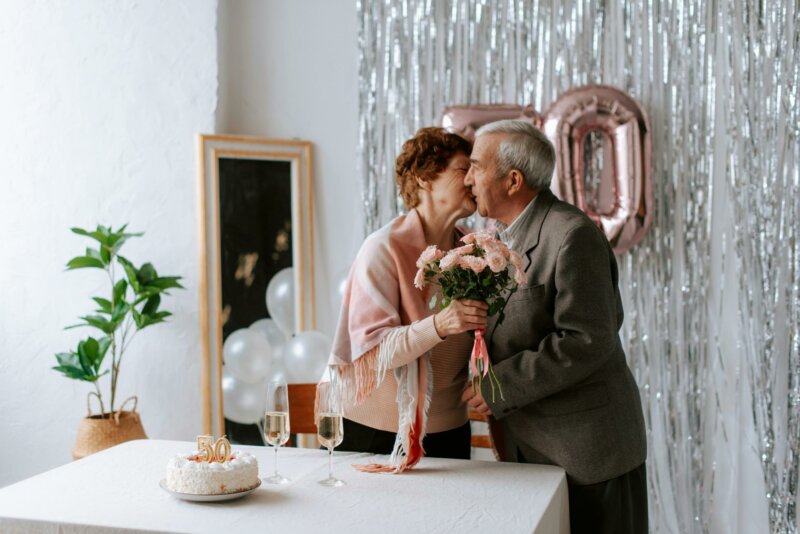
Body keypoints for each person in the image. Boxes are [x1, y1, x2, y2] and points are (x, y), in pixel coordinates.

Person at [462, 119, 648, 533]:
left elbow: (586, 340)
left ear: (512, 180)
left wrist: (497, 385)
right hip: (531, 449)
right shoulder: (498, 237)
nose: (468, 178)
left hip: (589, 453)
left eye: (475, 166)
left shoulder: (572, 235)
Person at [328, 127, 488, 472]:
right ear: (424, 179)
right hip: (377, 431)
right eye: (464, 169)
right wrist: (440, 324)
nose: (475, 179)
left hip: (451, 431)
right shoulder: (382, 248)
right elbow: (372, 351)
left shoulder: (477, 253)